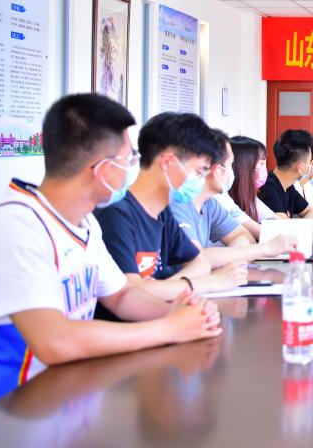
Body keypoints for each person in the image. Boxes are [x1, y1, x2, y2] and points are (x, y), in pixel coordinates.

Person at [0, 94, 222, 401]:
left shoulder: (86, 222)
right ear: (103, 170)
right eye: (129, 160)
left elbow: (121, 295)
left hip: (66, 393)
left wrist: (183, 313)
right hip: (16, 406)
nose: (133, 169)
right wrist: (169, 329)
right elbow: (54, 340)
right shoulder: (16, 224)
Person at [94, 113, 250, 317]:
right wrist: (212, 282)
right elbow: (131, 292)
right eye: (199, 172)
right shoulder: (116, 215)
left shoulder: (163, 213)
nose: (201, 180)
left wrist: (164, 288)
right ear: (168, 162)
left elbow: (200, 262)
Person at [170, 129, 296, 262]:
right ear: (217, 171)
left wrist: (231, 259)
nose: (232, 171)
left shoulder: (210, 203)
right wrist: (264, 249)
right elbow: (195, 258)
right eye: (231, 164)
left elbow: (245, 236)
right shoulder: (177, 202)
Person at [257, 129, 313, 225]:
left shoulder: (289, 187)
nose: (311, 166)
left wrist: (301, 224)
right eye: (310, 162)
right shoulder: (268, 186)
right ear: (301, 167)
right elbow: (282, 225)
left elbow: (309, 211)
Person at [217, 136, 277, 240]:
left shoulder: (248, 196)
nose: (264, 169)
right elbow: (260, 233)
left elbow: (274, 220)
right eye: (262, 163)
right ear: (243, 167)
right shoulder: (219, 197)